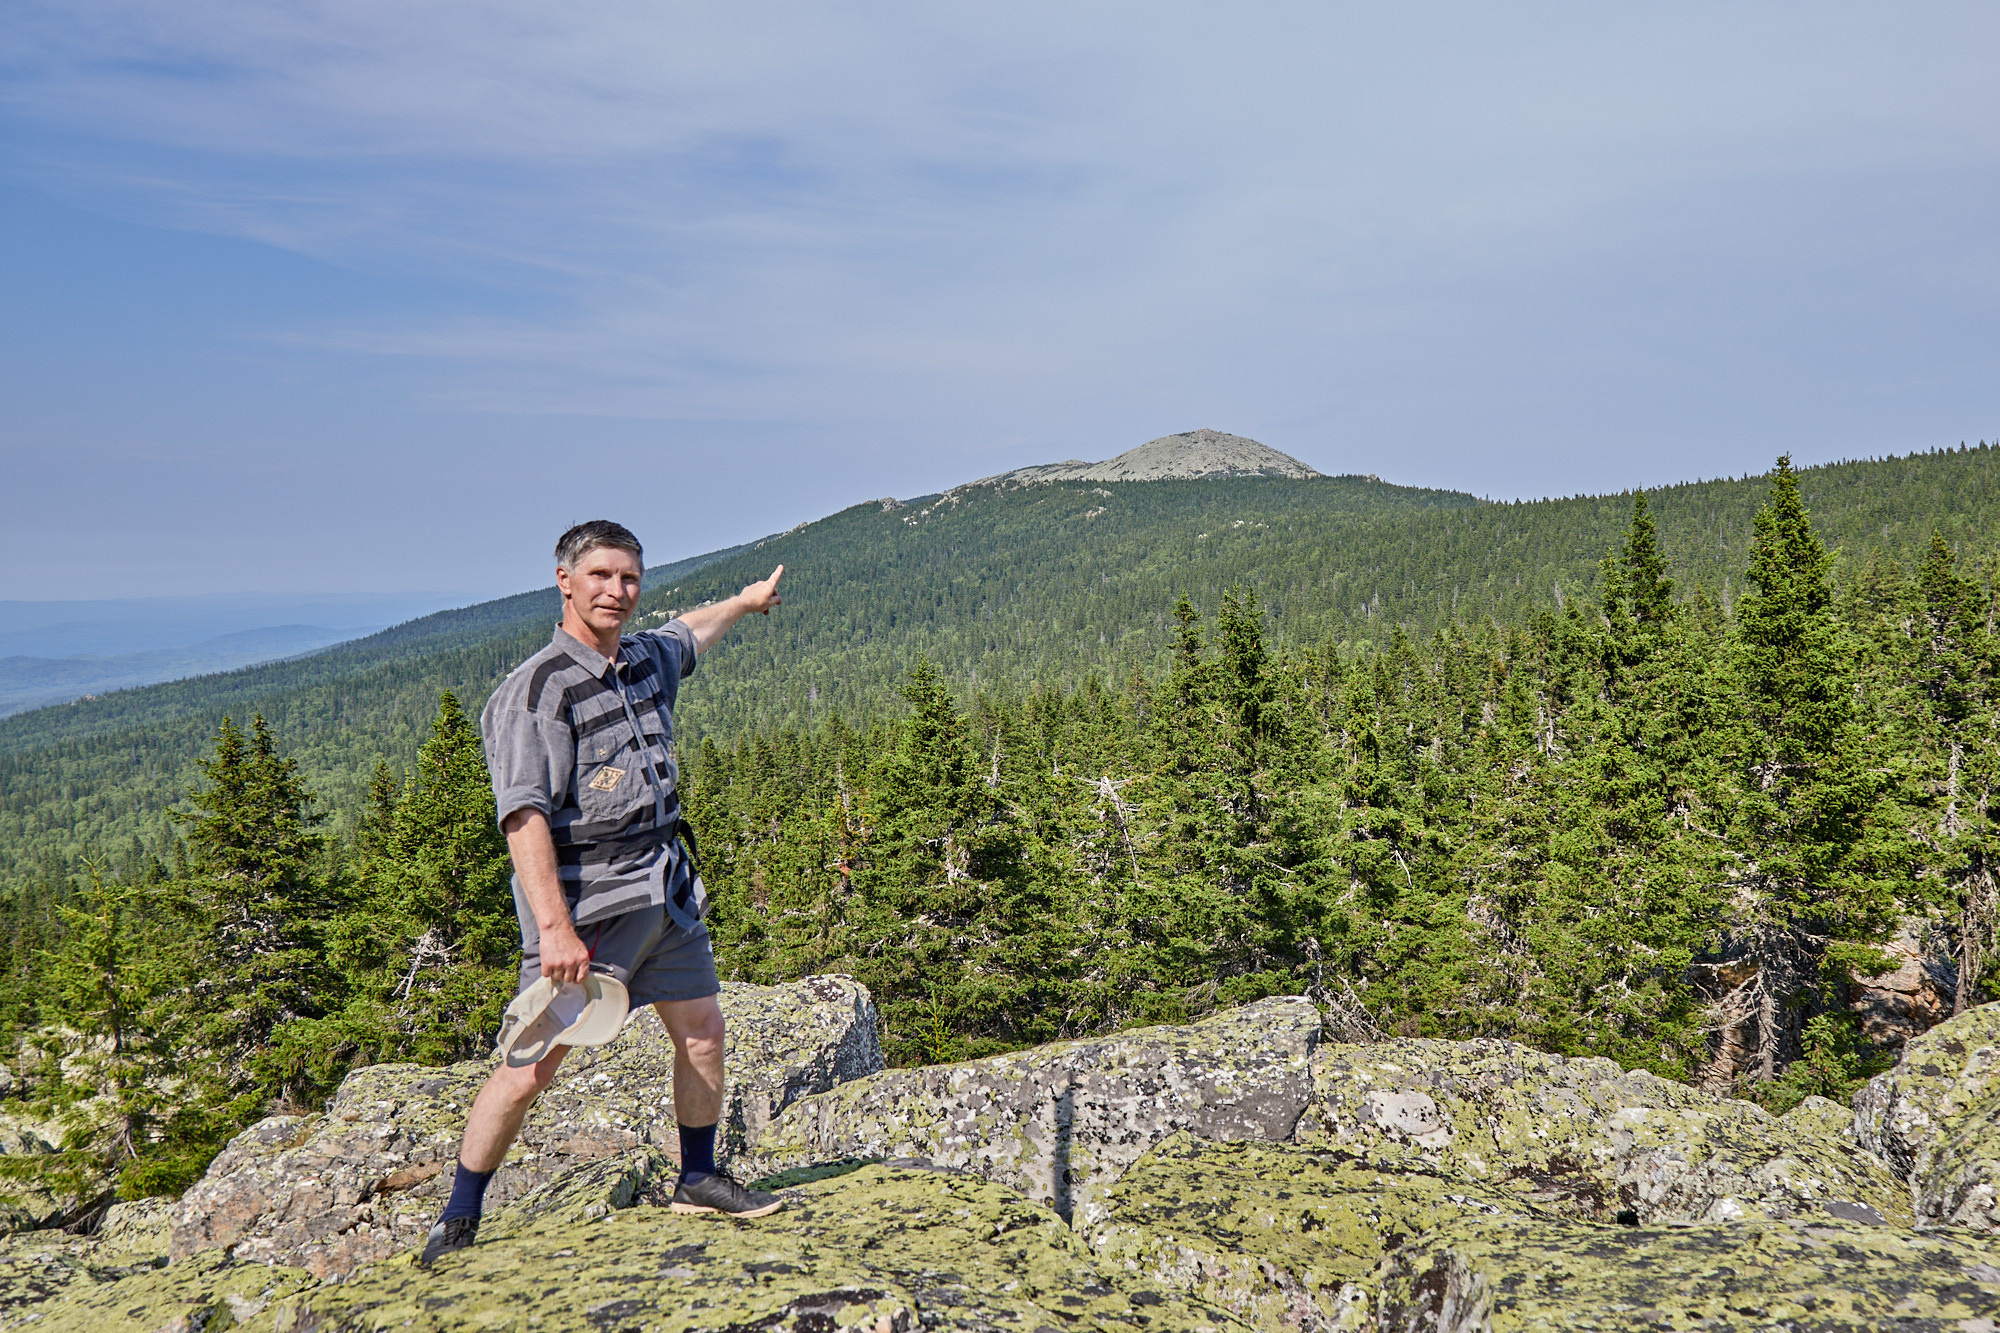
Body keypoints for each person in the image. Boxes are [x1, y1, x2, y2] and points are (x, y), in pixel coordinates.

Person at [418, 520, 785, 1267]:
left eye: (629, 578)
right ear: (565, 581)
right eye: (601, 576)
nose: (617, 590)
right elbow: (523, 817)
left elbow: (689, 631)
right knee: (530, 1067)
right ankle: (459, 1214)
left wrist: (744, 605)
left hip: (663, 887)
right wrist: (554, 928)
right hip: (587, 907)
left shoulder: (645, 658)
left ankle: (698, 1174)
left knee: (703, 1029)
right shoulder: (536, 691)